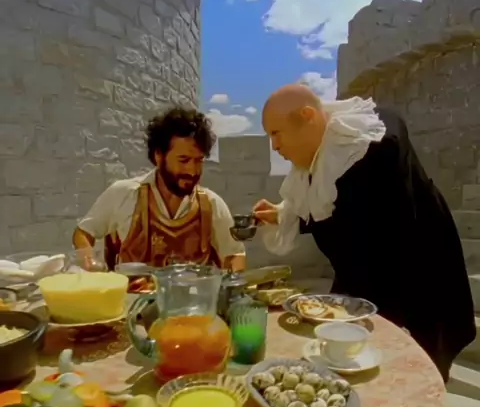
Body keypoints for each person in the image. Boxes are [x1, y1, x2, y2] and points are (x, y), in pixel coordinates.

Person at [253, 84, 475, 382]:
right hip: (363, 281)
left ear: (308, 116)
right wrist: (284, 214)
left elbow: (366, 212)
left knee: (416, 375)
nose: (275, 146)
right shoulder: (320, 164)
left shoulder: (372, 140)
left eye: (276, 133)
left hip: (419, 281)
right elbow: (335, 208)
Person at [73, 107, 246, 274]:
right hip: (135, 294)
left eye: (198, 160)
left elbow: (235, 254)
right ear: (158, 156)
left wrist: (230, 279)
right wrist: (89, 262)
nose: (192, 171)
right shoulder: (124, 194)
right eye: (183, 160)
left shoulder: (212, 205)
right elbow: (83, 233)